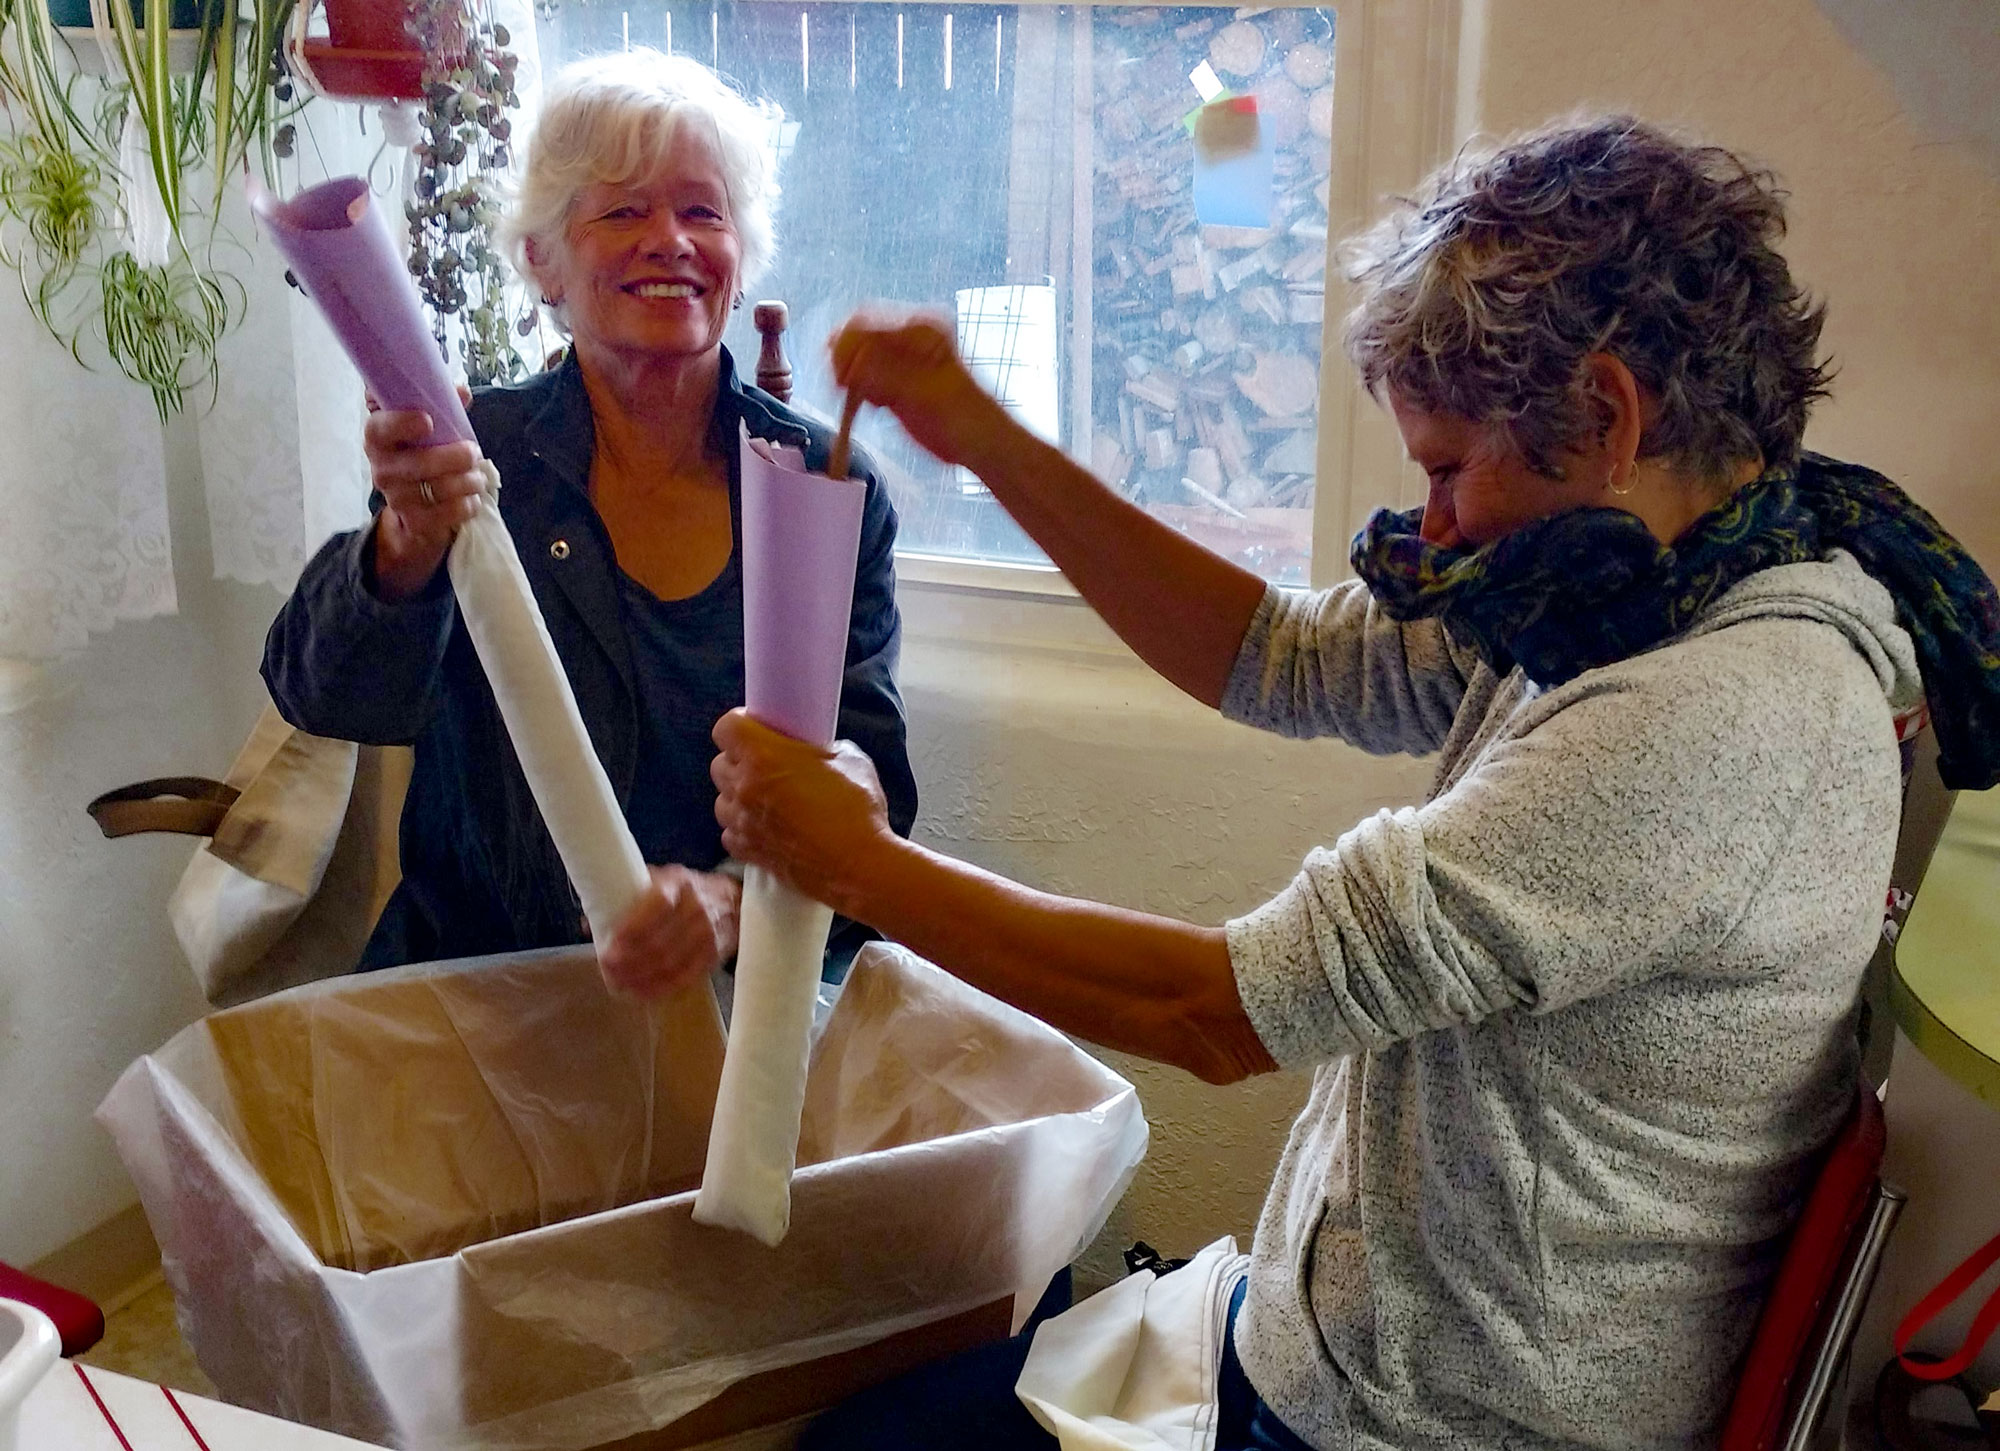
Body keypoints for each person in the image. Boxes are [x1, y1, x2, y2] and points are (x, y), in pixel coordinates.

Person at [705, 116, 2000, 1449]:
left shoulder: (1712, 723)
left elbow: (1211, 1010)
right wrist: (985, 437)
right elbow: (1283, 654)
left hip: (1433, 1421)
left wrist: (856, 864)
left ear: (1608, 414)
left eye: (1447, 465)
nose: (1432, 521)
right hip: (1354, 1342)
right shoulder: (1655, 577)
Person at [263, 50, 917, 992]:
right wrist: (404, 543)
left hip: (744, 1011)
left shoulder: (826, 484)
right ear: (543, 260)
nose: (671, 241)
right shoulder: (472, 458)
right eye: (622, 211)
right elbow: (326, 699)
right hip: (491, 1002)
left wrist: (731, 905)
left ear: (741, 257)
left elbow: (875, 798)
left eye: (702, 211)